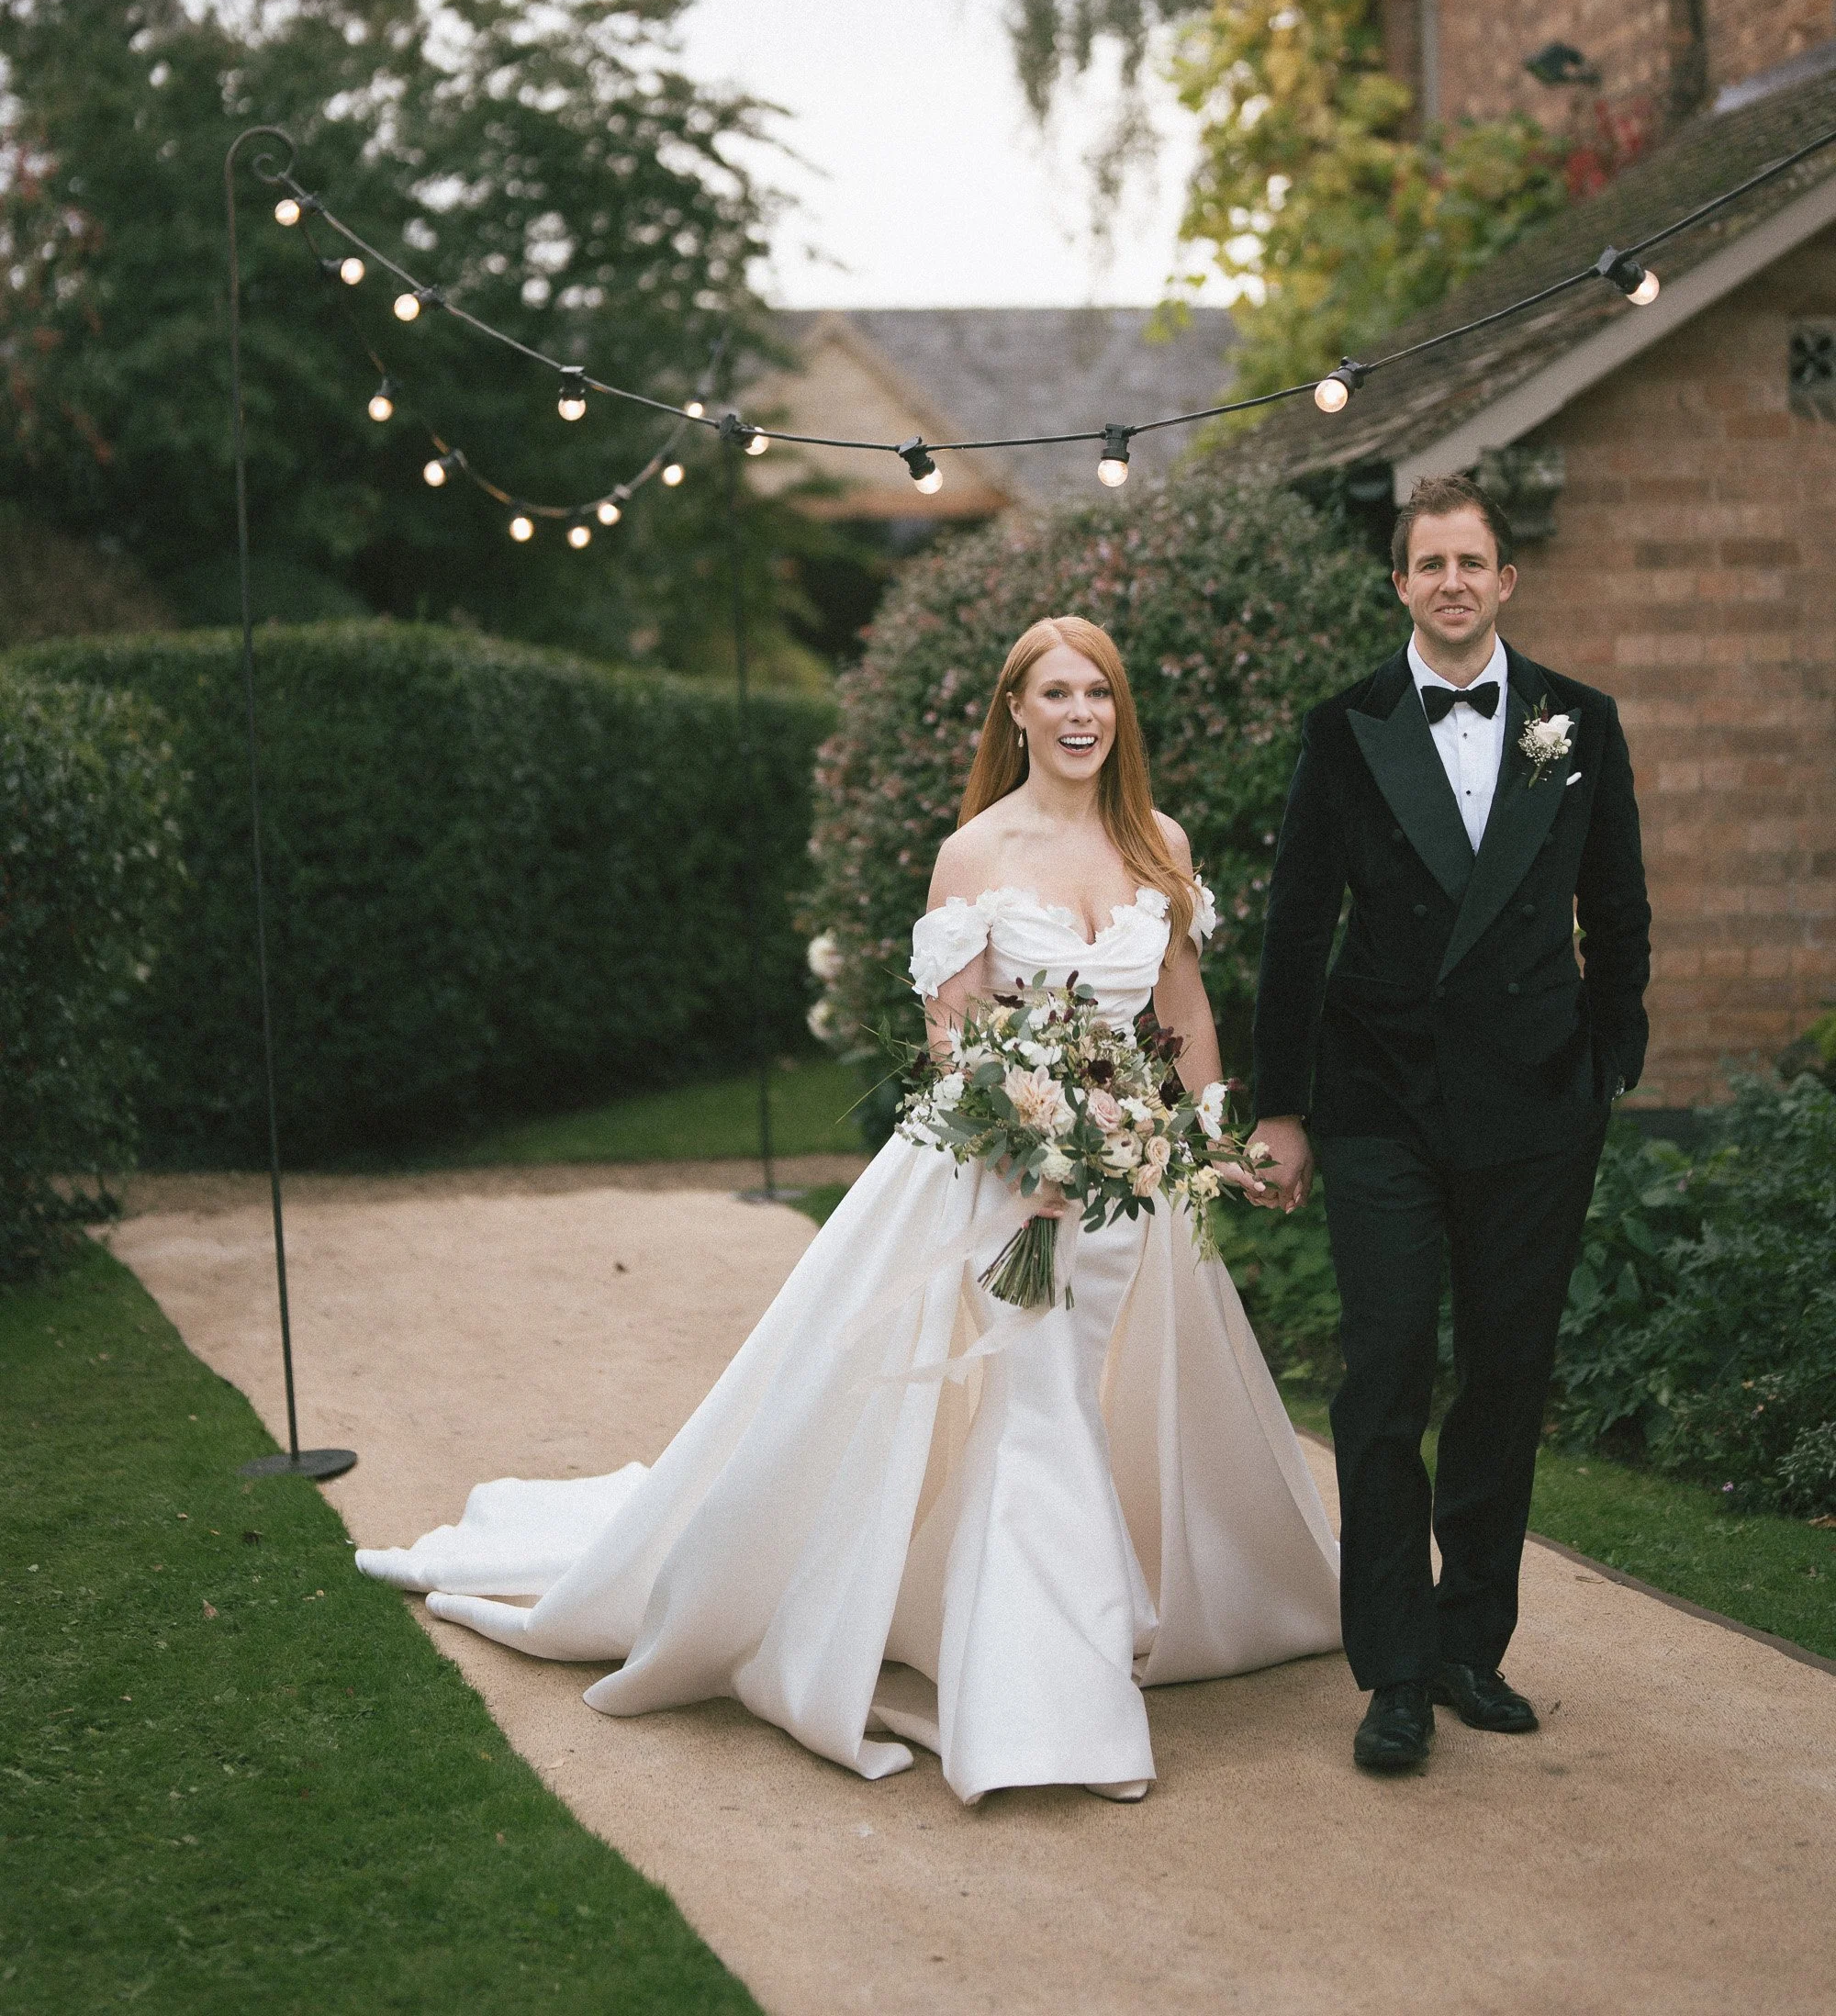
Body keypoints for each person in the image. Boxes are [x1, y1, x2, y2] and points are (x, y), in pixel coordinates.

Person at [357, 614, 1339, 1806]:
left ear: (1119, 714)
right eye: (1059, 694)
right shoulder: (972, 853)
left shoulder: (1157, 842)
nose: (1083, 715)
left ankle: (1044, 1626)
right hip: (1002, 1190)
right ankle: (1052, 1720)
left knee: (1089, 1406)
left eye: (1103, 695)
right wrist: (1026, 1131)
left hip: (1129, 1191)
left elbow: (1180, 1010)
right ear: (1016, 712)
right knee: (1036, 1413)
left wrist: (1212, 1131)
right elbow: (950, 1032)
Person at [1249, 476, 1651, 1775]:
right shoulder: (1346, 724)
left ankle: (1472, 1643)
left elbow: (1620, 904)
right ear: (1400, 584)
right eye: (1430, 564)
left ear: (1506, 581)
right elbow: (1299, 924)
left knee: (1505, 1375)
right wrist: (1282, 1106)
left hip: (1537, 1101)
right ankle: (1395, 1672)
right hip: (1381, 1103)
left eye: (1473, 562)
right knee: (1382, 1377)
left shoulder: (1579, 722)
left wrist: (1608, 1062)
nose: (1453, 583)